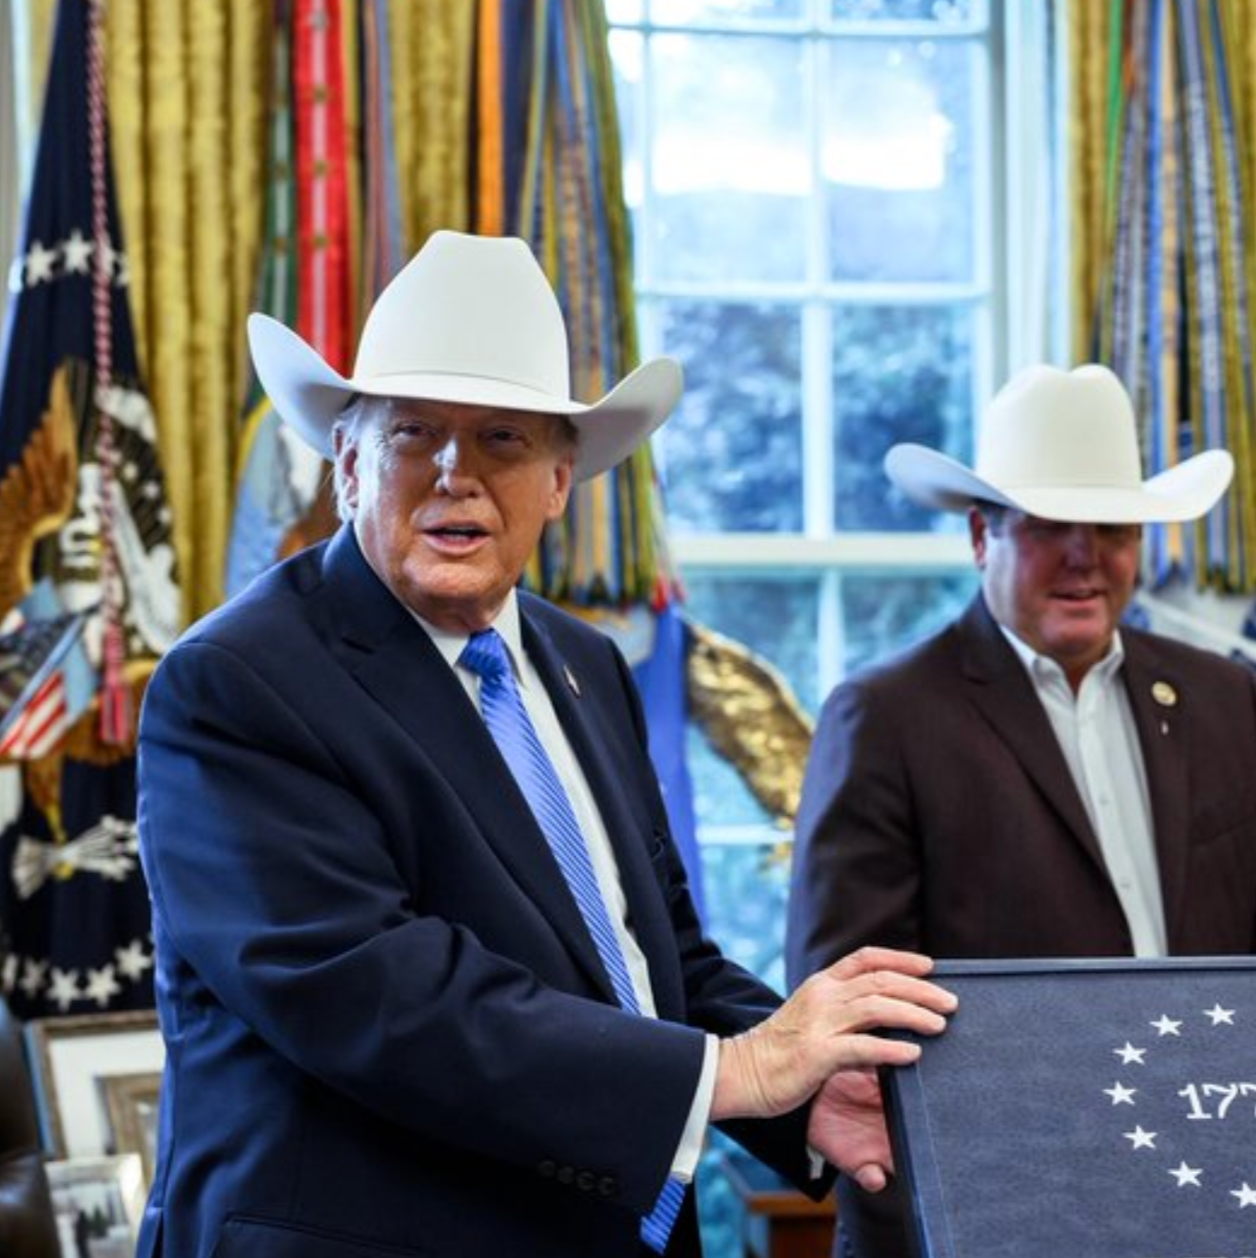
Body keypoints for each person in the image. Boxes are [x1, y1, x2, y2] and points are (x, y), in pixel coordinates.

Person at [134, 230, 956, 1258]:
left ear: (562, 482)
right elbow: (379, 994)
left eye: (502, 440)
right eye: (412, 433)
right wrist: (735, 1072)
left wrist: (802, 1094)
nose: (453, 473)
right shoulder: (238, 683)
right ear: (346, 462)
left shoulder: (583, 663)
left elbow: (659, 964)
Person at [786, 362, 1256, 1258]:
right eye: (1048, 526)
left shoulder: (1227, 697)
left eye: (1111, 526)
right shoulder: (888, 716)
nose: (1084, 555)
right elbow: (848, 1006)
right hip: (994, 1207)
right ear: (980, 536)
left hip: (1205, 1197)